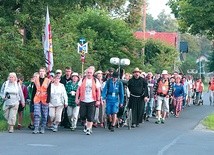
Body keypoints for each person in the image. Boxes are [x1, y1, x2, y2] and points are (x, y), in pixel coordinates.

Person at [75, 67, 101, 135]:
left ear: (92, 73)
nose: (89, 74)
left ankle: (89, 129)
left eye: (90, 73)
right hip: (83, 99)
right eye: (88, 73)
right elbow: (78, 89)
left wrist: (98, 100)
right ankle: (85, 123)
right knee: (82, 115)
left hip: (92, 100)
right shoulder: (82, 80)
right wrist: (77, 98)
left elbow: (98, 91)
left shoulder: (95, 80)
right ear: (86, 73)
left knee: (90, 116)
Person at [31, 67, 51, 134]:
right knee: (37, 114)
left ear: (45, 73)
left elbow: (49, 91)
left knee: (44, 115)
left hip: (45, 99)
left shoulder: (48, 81)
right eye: (40, 71)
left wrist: (48, 100)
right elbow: (34, 91)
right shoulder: (36, 80)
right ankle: (36, 127)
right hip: (37, 99)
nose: (41, 72)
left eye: (43, 71)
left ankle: (42, 127)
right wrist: (32, 100)